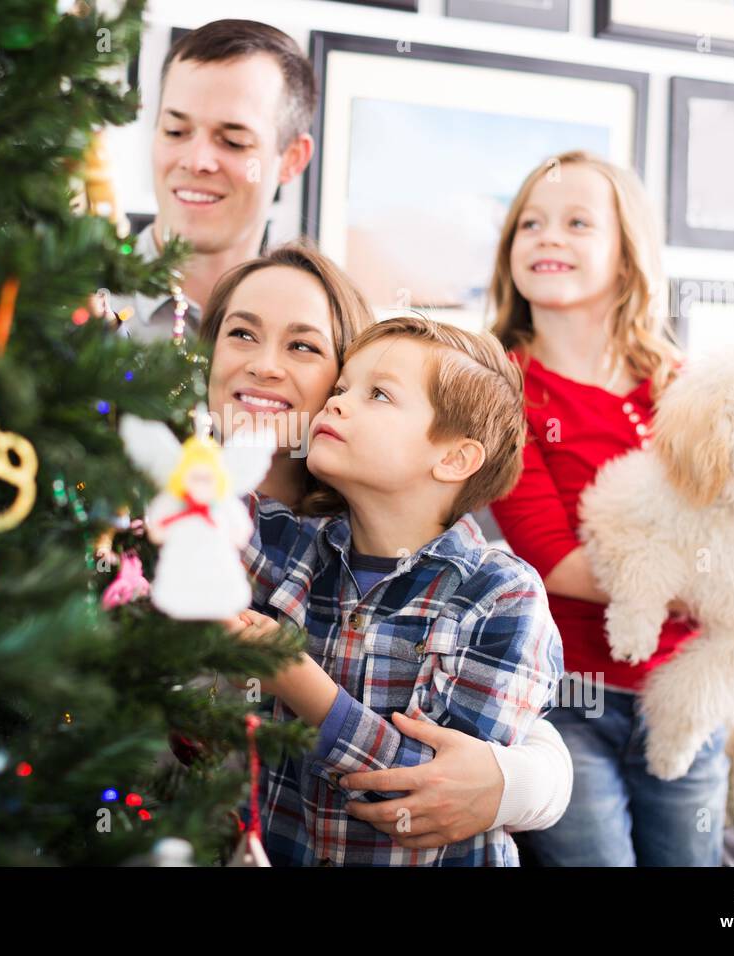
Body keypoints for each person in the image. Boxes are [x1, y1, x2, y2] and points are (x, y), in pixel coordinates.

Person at [202, 243, 573, 852]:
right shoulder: (295, 548)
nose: (340, 402)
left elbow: (434, 788)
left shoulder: (498, 595)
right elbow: (198, 513)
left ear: (454, 457)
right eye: (241, 334)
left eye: (376, 394)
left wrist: (298, 681)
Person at [486, 150, 725, 866]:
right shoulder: (501, 387)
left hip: (686, 695)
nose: (548, 237)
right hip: (563, 702)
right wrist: (716, 588)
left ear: (626, 258)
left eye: (577, 222)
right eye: (531, 223)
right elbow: (557, 561)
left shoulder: (681, 387)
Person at [108, 19, 316, 340]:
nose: (196, 161)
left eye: (233, 141)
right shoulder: (70, 304)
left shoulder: (313, 336)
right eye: (175, 131)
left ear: (292, 158)